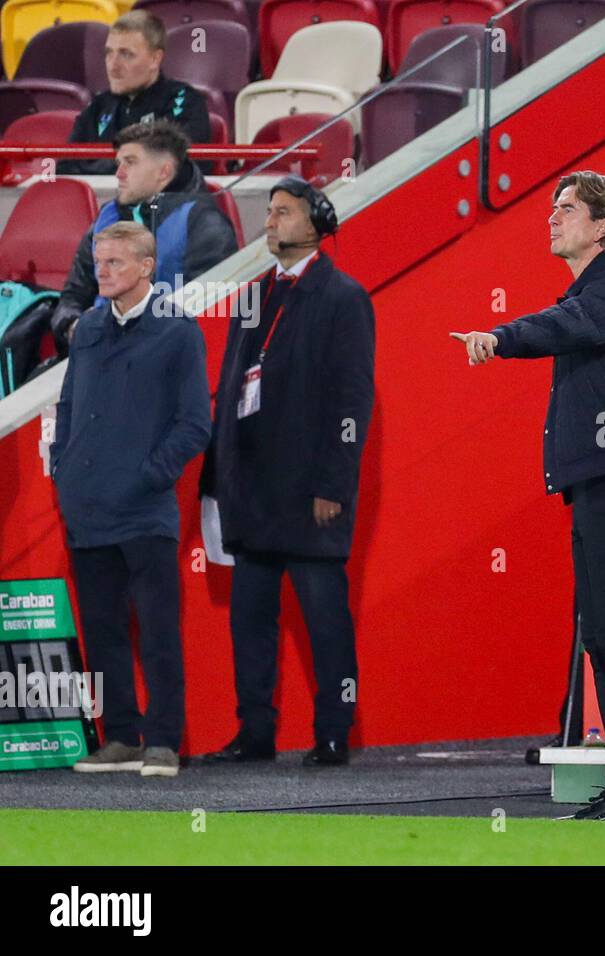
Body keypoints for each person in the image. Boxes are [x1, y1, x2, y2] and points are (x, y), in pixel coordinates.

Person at [449, 170, 605, 821]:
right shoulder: (602, 292)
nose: (552, 217)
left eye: (567, 208)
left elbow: (563, 324)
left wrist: (499, 337)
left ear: (604, 226)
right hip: (602, 487)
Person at [200, 177, 375, 768]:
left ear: (317, 223)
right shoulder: (255, 294)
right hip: (251, 490)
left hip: (307, 493)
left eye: (284, 212)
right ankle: (255, 733)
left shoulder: (343, 296)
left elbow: (352, 402)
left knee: (326, 620)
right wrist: (218, 478)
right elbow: (228, 387)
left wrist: (333, 485)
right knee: (250, 622)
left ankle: (333, 732)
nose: (270, 221)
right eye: (268, 212)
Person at [50, 221, 211, 778]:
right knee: (103, 629)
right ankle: (121, 737)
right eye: (99, 263)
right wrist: (62, 469)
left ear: (146, 267)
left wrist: (149, 476)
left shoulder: (179, 332)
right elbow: (69, 405)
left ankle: (163, 740)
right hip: (86, 508)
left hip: (144, 512)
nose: (103, 272)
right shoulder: (89, 327)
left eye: (115, 263)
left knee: (159, 629)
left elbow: (195, 425)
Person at [52, 121, 238, 344]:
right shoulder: (107, 216)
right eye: (119, 163)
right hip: (97, 353)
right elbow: (73, 295)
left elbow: (210, 314)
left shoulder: (205, 224)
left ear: (164, 171)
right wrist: (73, 326)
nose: (119, 174)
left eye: (130, 163)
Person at [57, 11, 211, 176]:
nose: (113, 66)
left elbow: (170, 167)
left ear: (155, 59)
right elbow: (65, 167)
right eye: (109, 53)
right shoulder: (99, 105)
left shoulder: (184, 101)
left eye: (126, 54)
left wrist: (96, 167)